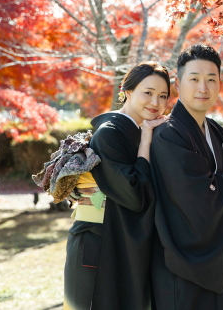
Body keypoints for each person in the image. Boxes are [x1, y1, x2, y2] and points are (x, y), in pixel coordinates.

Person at [150, 44, 223, 310]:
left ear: (220, 85)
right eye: (194, 79)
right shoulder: (169, 135)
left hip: (221, 258)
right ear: (178, 83)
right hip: (184, 264)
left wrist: (220, 182)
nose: (203, 88)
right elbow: (197, 196)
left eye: (211, 80)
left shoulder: (216, 131)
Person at [64, 61, 170, 310]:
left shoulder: (147, 130)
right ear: (128, 91)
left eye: (163, 95)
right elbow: (134, 194)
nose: (155, 102)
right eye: (148, 92)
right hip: (97, 241)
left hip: (122, 241)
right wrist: (145, 145)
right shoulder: (109, 133)